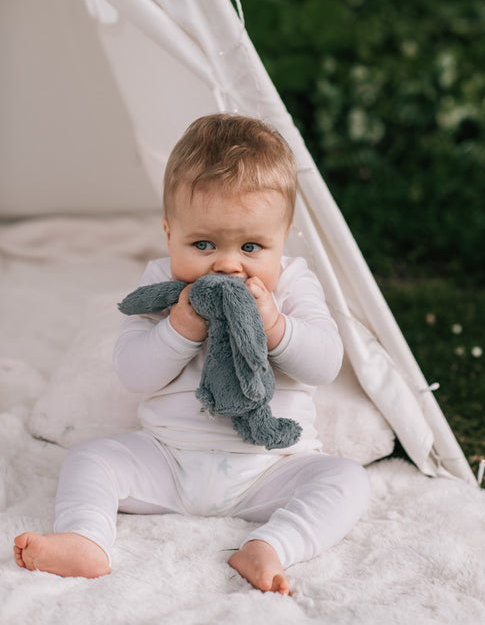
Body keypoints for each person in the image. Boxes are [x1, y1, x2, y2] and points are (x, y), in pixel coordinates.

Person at [14, 113, 370, 594]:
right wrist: (179, 328)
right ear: (168, 233)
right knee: (90, 459)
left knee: (346, 480)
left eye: (251, 245)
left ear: (282, 239)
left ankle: (271, 546)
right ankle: (86, 539)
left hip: (269, 464)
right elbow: (134, 371)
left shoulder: (292, 282)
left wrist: (275, 326)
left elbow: (325, 362)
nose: (226, 263)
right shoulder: (162, 285)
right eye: (202, 243)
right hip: (168, 458)